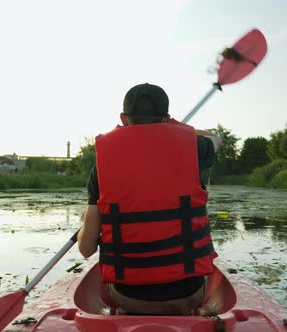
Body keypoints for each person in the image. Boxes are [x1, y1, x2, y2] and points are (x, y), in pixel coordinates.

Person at [77, 83, 222, 315]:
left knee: (89, 218)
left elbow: (86, 249)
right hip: (188, 293)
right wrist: (180, 129)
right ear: (166, 118)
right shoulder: (193, 149)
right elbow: (216, 140)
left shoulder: (102, 165)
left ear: (124, 118)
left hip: (127, 296)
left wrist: (85, 224)